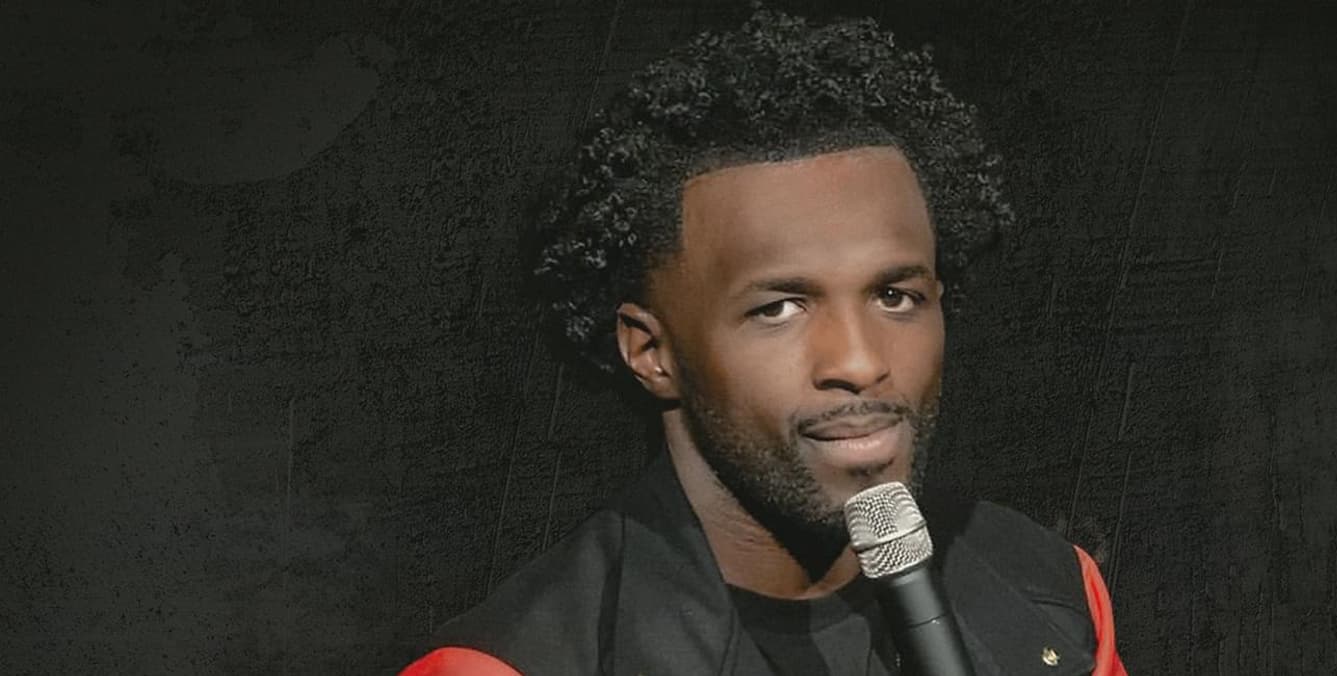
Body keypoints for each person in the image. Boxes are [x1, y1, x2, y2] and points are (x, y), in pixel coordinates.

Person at [405, 10, 1124, 676]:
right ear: (651, 352)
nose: (860, 362)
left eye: (895, 297)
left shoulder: (1051, 589)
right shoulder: (520, 662)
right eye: (779, 309)